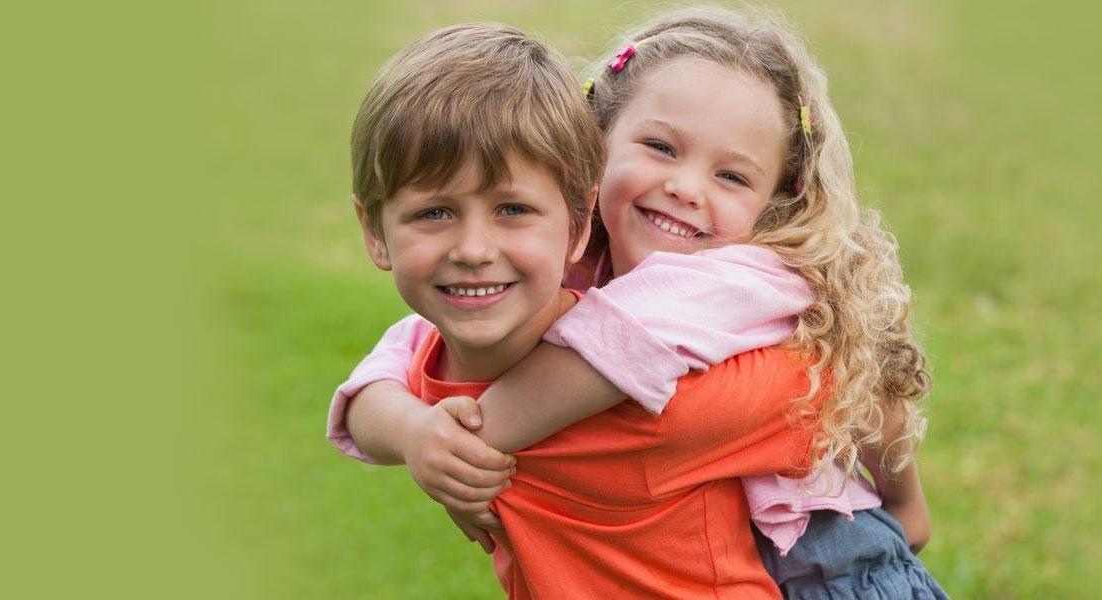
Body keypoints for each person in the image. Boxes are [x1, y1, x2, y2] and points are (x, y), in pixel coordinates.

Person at [333, 7, 945, 598]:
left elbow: (857, 380)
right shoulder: (557, 260)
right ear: (596, 146)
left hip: (843, 570)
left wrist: (471, 445)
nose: (684, 187)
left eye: (731, 177)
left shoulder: (750, 277)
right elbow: (393, 359)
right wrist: (416, 433)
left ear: (773, 203)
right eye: (660, 147)